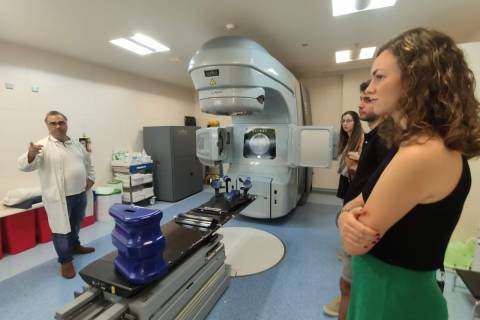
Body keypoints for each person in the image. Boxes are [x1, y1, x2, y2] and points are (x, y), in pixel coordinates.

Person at [339, 27, 480, 320]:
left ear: (416, 80)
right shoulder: (409, 143)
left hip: (393, 301)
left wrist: (346, 220)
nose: (369, 89)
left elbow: (353, 242)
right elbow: (359, 201)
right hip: (379, 291)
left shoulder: (423, 153)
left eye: (380, 77)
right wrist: (344, 217)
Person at [323, 80, 391, 318]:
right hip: (354, 210)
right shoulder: (374, 138)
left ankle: (345, 298)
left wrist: (347, 213)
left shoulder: (383, 140)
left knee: (349, 284)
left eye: (368, 98)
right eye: (361, 98)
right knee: (348, 282)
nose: (362, 104)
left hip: (363, 219)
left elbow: (380, 188)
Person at [18, 111, 96, 279]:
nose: (58, 126)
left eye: (61, 122)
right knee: (61, 231)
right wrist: (31, 154)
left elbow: (88, 162)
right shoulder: (42, 146)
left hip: (80, 194)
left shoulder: (75, 143)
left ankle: (75, 246)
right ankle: (65, 261)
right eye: (53, 123)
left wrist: (91, 179)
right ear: (47, 126)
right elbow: (24, 166)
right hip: (59, 198)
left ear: (66, 123)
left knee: (75, 224)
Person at [336, 111, 364, 199]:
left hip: (354, 177)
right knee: (345, 203)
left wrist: (359, 157)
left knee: (350, 204)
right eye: (343, 121)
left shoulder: (362, 138)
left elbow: (369, 159)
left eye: (348, 121)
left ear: (356, 123)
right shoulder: (347, 138)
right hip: (345, 175)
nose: (345, 124)